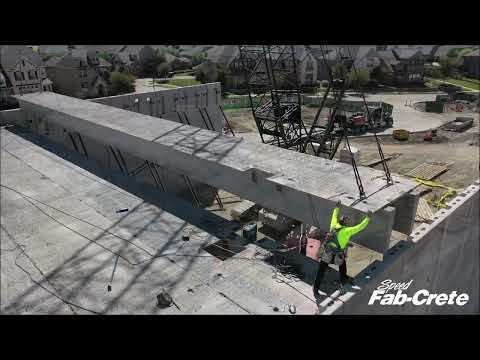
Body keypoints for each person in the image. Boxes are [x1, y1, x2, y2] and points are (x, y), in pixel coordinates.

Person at [313, 200, 372, 298]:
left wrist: (337, 207)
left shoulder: (333, 225)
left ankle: (316, 289)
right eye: (348, 222)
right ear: (346, 224)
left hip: (327, 252)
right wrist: (367, 218)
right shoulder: (347, 231)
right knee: (342, 266)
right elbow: (360, 227)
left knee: (321, 271)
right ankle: (343, 282)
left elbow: (334, 216)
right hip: (337, 254)